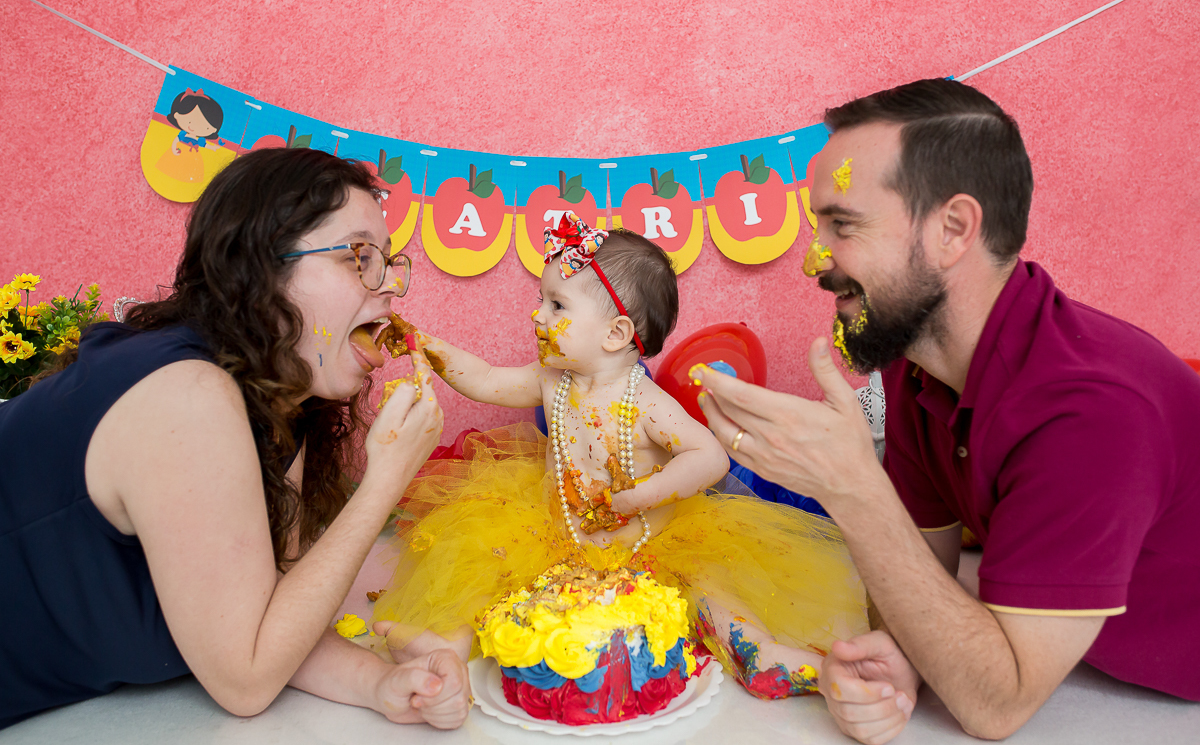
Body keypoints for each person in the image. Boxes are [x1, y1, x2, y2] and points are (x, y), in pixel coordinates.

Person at [693, 78, 1200, 742]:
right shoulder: (918, 362)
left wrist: (852, 487)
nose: (815, 259)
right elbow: (916, 584)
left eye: (843, 224)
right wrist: (903, 666)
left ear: (953, 229)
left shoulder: (1092, 412)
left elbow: (996, 706)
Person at [0, 147, 469, 730]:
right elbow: (246, 679)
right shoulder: (186, 396)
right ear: (261, 267)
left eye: (387, 261)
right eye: (358, 256)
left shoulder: (282, 401)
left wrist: (381, 684)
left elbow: (276, 614)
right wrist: (384, 482)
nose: (389, 288)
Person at [370, 213, 869, 700]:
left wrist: (638, 497)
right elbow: (483, 379)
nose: (537, 315)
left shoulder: (645, 403)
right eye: (540, 300)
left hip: (649, 548)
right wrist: (424, 345)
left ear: (615, 334)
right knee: (493, 570)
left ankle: (759, 651)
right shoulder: (551, 381)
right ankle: (448, 646)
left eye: (557, 305)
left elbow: (710, 458)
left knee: (710, 594)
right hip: (556, 540)